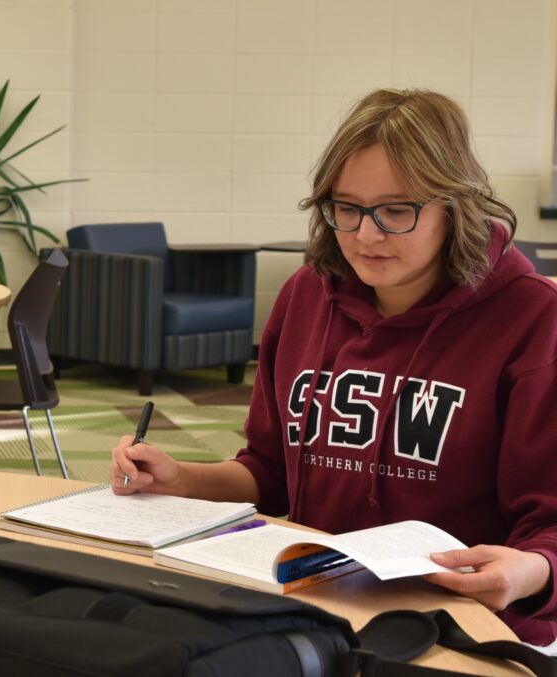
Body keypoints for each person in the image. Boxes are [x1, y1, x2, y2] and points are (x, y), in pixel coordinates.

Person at [111, 89, 557, 646]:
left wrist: (530, 571)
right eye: (348, 208)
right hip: (316, 605)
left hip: (459, 624)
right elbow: (271, 474)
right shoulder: (305, 296)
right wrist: (181, 479)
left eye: (397, 210)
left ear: (455, 205)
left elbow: (548, 529)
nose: (367, 235)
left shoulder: (532, 316)